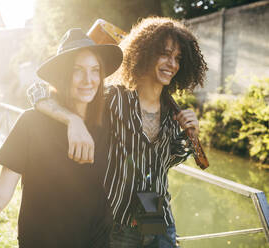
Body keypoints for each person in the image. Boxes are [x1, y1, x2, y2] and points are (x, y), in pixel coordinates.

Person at [27, 17, 208, 247]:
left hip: (157, 220)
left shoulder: (175, 115)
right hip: (116, 225)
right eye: (164, 54)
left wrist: (191, 134)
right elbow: (38, 90)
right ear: (145, 53)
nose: (172, 63)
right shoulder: (113, 99)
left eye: (178, 58)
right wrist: (73, 120)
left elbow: (163, 165)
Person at [0, 28, 123, 248]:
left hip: (96, 242)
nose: (89, 79)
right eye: (78, 70)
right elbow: (0, 193)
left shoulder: (111, 120)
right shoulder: (31, 123)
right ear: (62, 75)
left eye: (95, 70)